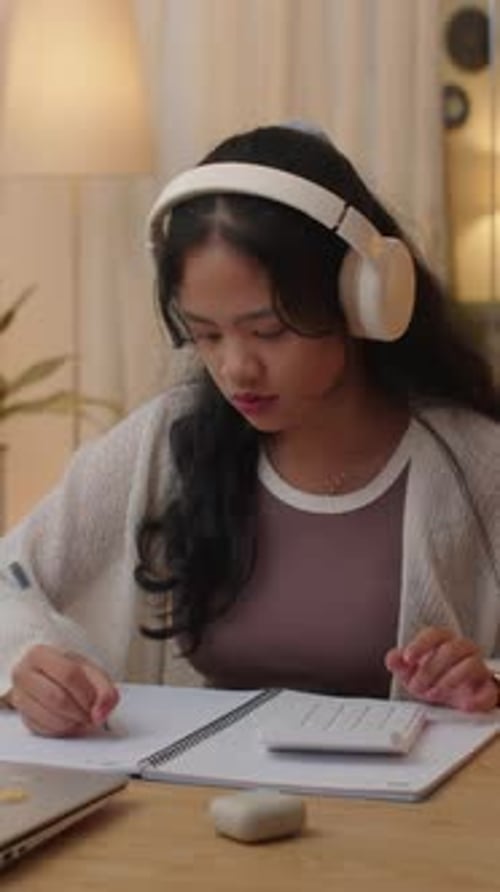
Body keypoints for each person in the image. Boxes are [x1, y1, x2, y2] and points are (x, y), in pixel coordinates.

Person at [0, 123, 499, 739]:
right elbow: (9, 578)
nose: (235, 368)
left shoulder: (476, 464)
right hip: (196, 819)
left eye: (269, 331)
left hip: (408, 827)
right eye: (206, 333)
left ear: (364, 301)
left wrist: (488, 682)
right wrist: (25, 660)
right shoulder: (168, 440)